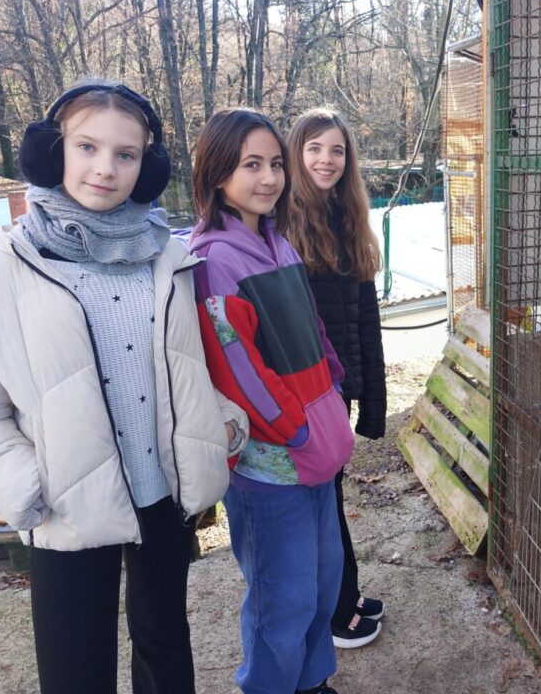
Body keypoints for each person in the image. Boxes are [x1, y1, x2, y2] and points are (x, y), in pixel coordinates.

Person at [0, 79, 248, 694]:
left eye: (126, 154)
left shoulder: (168, 261)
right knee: (75, 671)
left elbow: (189, 367)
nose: (105, 168)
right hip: (65, 506)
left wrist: (219, 423)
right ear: (52, 152)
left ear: (147, 168)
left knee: (166, 647)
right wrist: (29, 485)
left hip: (164, 496)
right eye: (87, 147)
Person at [189, 108, 354, 694]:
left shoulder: (278, 243)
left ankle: (311, 682)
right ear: (217, 174)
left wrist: (333, 388)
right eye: (250, 165)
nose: (269, 178)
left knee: (323, 583)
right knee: (281, 598)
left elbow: (313, 328)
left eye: (276, 164)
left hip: (315, 445)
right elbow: (237, 366)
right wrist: (296, 428)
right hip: (271, 462)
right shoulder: (214, 260)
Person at [279, 107, 387, 649]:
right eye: (315, 148)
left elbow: (364, 316)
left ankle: (344, 595)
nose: (327, 160)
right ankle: (335, 611)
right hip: (304, 394)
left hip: (336, 392)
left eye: (337, 150)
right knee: (319, 504)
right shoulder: (283, 223)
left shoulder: (346, 218)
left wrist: (372, 399)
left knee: (332, 496)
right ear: (296, 154)